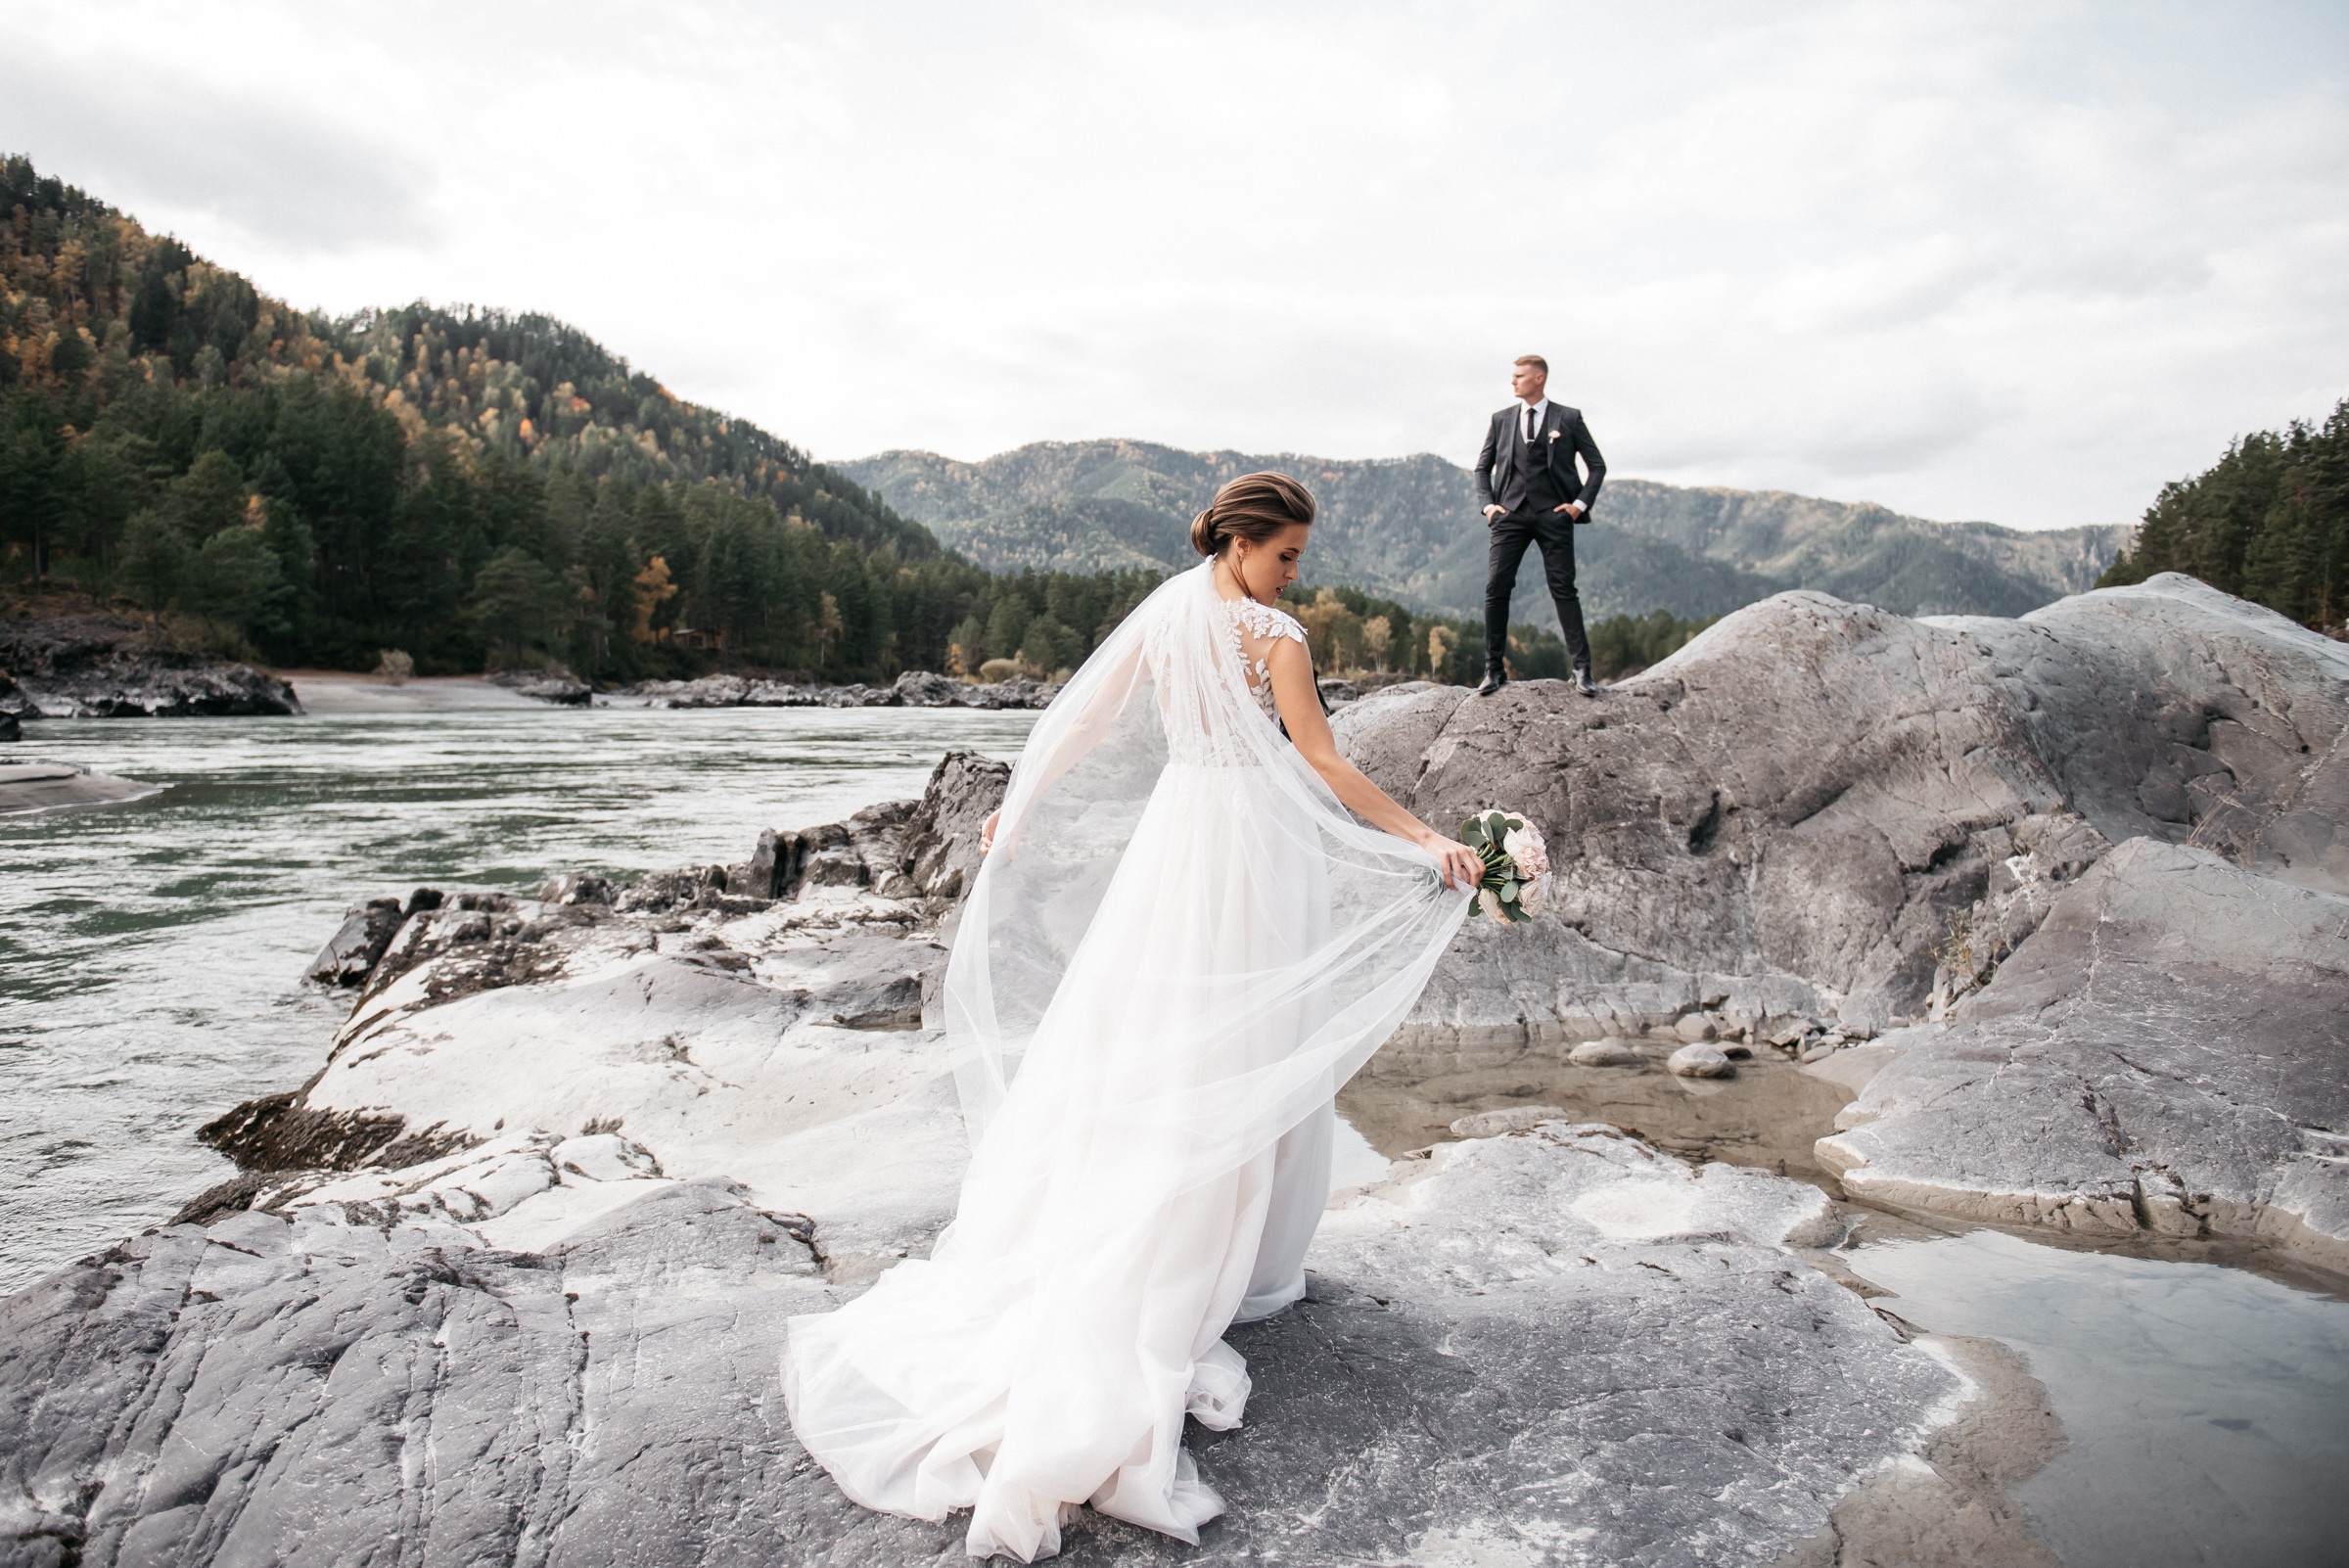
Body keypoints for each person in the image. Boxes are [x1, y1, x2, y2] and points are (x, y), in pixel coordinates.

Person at [781, 472, 1483, 1562]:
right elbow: (1325, 762)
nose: (1299, 574)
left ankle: (1197, 1232)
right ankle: (1235, 1261)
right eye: (1289, 553)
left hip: (1178, 844)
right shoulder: (1276, 639)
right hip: (1252, 851)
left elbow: (1088, 712)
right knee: (1252, 1040)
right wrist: (1426, 839)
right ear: (1247, 543)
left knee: (1158, 1035)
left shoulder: (1169, 608)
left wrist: (1020, 801)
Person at [1471, 353, 1607, 697]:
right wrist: (1489, 506)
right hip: (1510, 515)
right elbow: (1481, 468)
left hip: (1554, 514)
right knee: (1496, 588)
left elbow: (1597, 466)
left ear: (1539, 379)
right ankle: (1493, 669)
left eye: (1519, 376)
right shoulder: (1501, 420)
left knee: (1564, 589)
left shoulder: (1569, 418)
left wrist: (1577, 507)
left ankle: (1582, 670)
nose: (1513, 381)